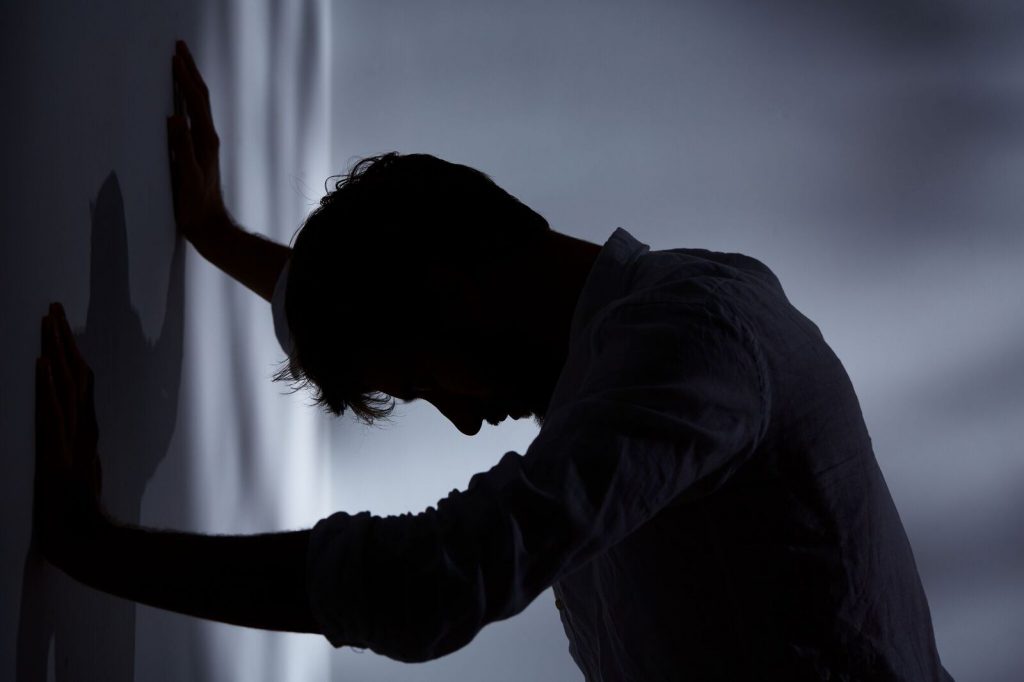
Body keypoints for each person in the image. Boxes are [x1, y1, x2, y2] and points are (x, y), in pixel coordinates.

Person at [33, 40, 955, 680]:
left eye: (428, 385)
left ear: (457, 292)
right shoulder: (627, 358)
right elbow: (402, 309)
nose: (467, 419)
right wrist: (222, 239)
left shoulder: (695, 343)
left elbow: (436, 579)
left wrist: (97, 550)